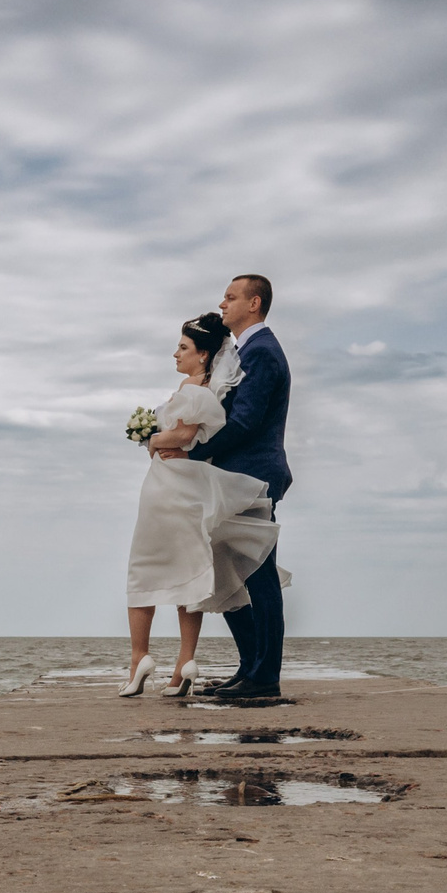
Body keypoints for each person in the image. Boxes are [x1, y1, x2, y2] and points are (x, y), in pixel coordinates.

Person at [119, 313, 281, 697]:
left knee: (143, 571)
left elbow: (186, 435)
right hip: (182, 488)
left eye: (183, 347)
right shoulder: (201, 387)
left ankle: (139, 658)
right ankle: (183, 664)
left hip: (167, 488)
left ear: (204, 354)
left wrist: (154, 439)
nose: (176, 353)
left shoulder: (195, 391)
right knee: (187, 571)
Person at [170, 273, 292, 698]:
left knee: (258, 576)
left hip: (252, 475)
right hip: (233, 475)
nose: (223, 304)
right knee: (229, 573)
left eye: (230, 297)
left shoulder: (262, 351)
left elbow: (246, 421)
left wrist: (193, 454)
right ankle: (250, 666)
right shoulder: (245, 351)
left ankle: (265, 678)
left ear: (254, 304)